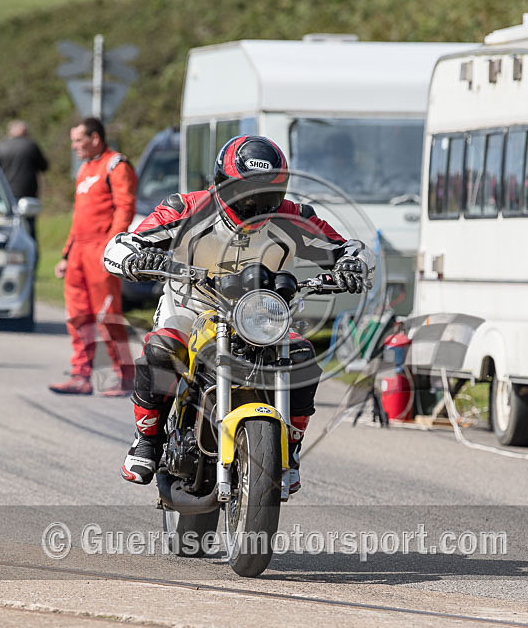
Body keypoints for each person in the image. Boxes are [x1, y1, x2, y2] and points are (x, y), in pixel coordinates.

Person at [104, 135, 371, 491]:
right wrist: (138, 258)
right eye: (248, 192)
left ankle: (289, 450)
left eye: (268, 192)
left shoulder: (294, 218)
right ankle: (147, 439)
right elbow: (120, 245)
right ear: (222, 185)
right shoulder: (186, 209)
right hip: (191, 307)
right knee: (162, 350)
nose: (257, 202)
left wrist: (352, 266)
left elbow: (351, 249)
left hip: (261, 317)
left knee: (303, 358)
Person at [49, 117, 137, 396]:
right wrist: (66, 254)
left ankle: (125, 376)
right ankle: (81, 375)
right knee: (77, 316)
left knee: (106, 317)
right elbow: (78, 218)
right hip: (78, 252)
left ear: (95, 138)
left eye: (78, 140)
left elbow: (125, 208)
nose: (74, 146)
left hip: (100, 249)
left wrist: (111, 247)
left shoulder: (116, 165)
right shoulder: (85, 169)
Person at [0, 120, 48, 240]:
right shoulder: (31, 146)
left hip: (6, 199)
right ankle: (30, 256)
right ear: (24, 131)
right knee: (29, 231)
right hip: (28, 196)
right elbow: (44, 166)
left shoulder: (1, 147)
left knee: (7, 231)